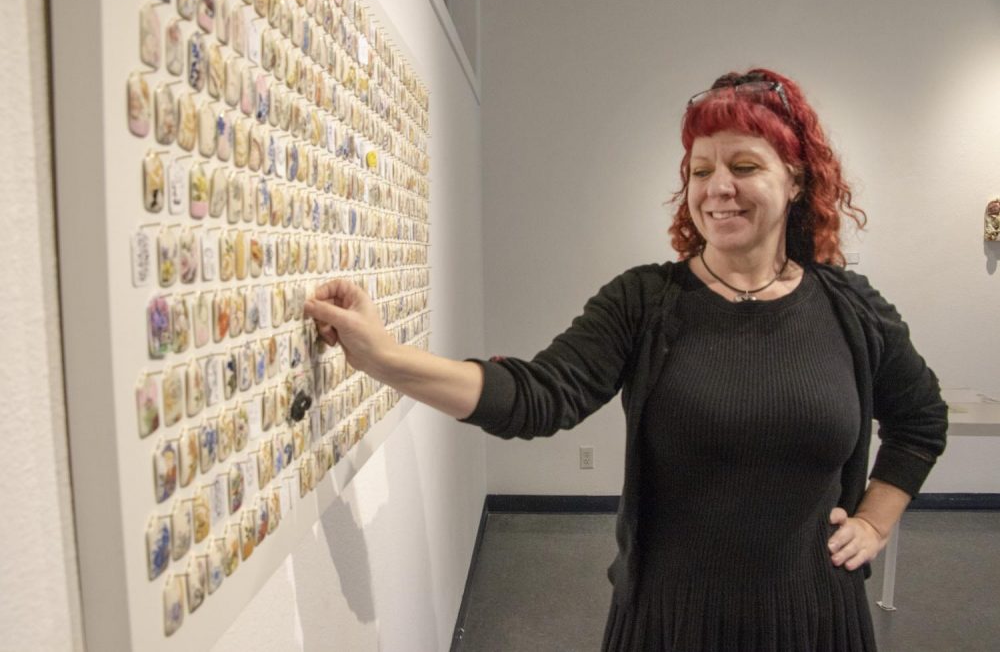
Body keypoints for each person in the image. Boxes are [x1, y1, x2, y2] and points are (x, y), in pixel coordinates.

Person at [303, 68, 948, 651]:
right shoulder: (646, 301)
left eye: (745, 166)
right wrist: (385, 360)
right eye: (700, 171)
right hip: (672, 619)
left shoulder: (848, 307)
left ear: (796, 179)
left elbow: (920, 420)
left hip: (816, 618)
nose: (718, 188)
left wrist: (873, 521)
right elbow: (537, 396)